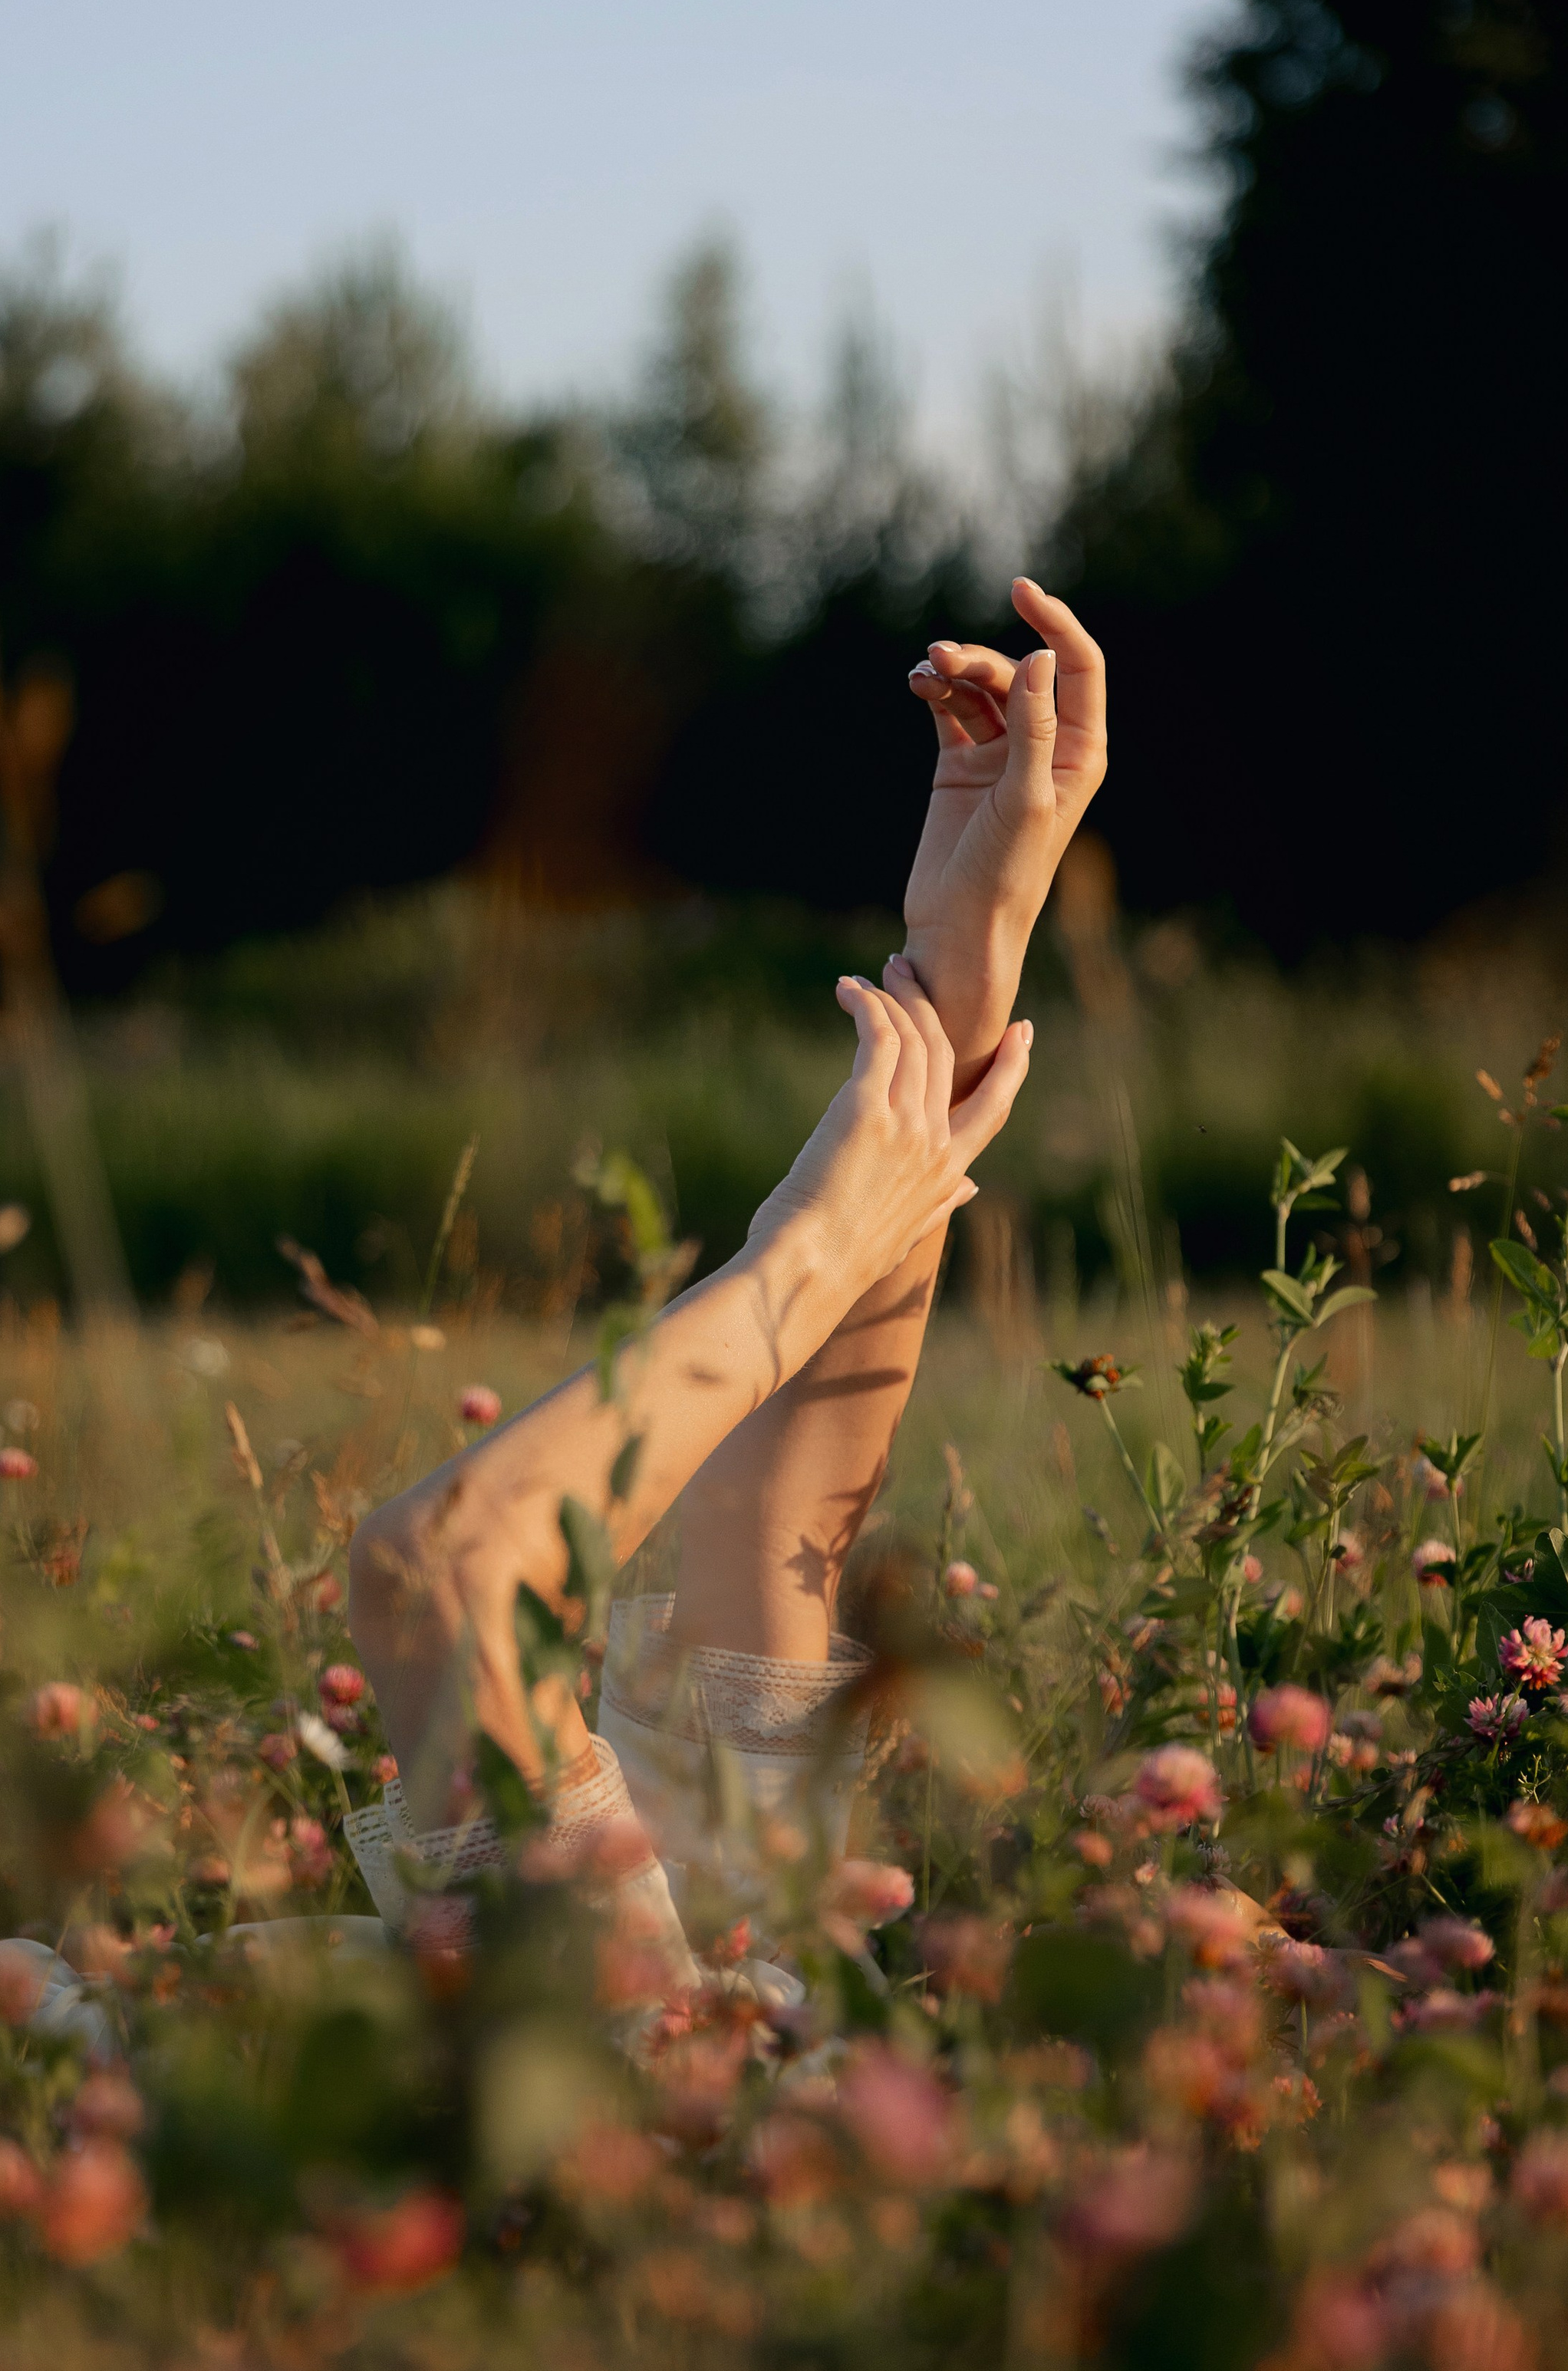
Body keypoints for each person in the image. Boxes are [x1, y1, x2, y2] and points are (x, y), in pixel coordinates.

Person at [345, 578, 1107, 1978]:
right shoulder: (786, 1979)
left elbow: (444, 1580)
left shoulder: (671, 2064)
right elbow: (782, 1511)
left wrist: (798, 1268)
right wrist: (965, 939)